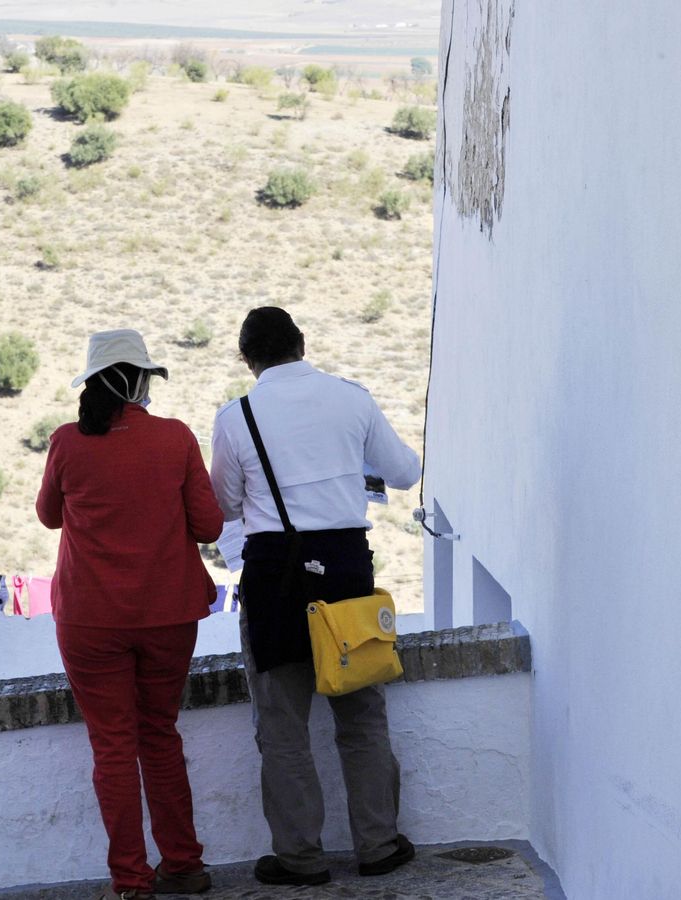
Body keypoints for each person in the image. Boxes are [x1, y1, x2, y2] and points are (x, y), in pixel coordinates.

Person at [209, 307, 423, 885]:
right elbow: (403, 473)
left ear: (246, 358)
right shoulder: (352, 399)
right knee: (361, 715)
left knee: (282, 726)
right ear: (303, 343)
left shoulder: (237, 418)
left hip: (275, 576)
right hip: (347, 575)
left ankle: (300, 858)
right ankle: (377, 845)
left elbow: (223, 509)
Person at [36, 328, 224, 900]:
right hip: (168, 613)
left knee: (113, 745)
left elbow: (48, 516)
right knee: (159, 734)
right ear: (142, 381)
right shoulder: (175, 439)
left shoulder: (68, 442)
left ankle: (131, 883)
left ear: (92, 383)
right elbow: (211, 527)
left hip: (90, 619)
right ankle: (185, 865)